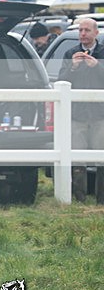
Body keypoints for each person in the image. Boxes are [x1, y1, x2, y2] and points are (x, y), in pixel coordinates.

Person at [57, 17, 104, 203]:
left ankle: (101, 200)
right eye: (81, 30)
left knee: (102, 158)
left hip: (100, 114)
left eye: (87, 30)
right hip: (77, 114)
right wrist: (73, 67)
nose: (83, 34)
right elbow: (61, 80)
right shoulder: (70, 53)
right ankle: (79, 199)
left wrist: (98, 66)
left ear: (96, 33)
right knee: (76, 159)